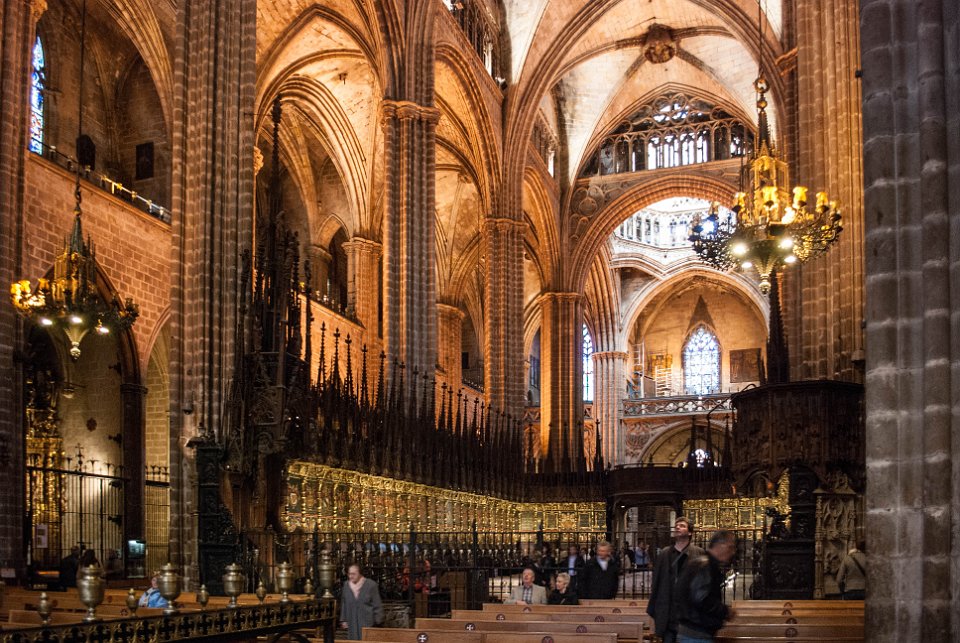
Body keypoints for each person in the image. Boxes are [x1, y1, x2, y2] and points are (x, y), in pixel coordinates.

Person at [647, 517, 706, 643]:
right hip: (668, 613)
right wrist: (655, 610)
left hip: (689, 615)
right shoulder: (664, 554)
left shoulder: (699, 553)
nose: (678, 527)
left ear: (690, 532)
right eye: (676, 526)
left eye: (682, 526)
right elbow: (656, 582)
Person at [675, 530, 737, 642]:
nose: (732, 552)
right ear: (720, 545)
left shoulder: (698, 562)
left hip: (691, 631)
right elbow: (701, 598)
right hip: (697, 634)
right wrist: (725, 611)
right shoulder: (705, 565)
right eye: (730, 547)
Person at [340, 564, 384, 640]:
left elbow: (377, 604)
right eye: (349, 574)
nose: (351, 576)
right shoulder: (346, 585)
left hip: (367, 622)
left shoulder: (371, 585)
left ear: (360, 574)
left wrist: (378, 622)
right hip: (352, 621)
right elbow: (344, 603)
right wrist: (344, 619)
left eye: (353, 574)